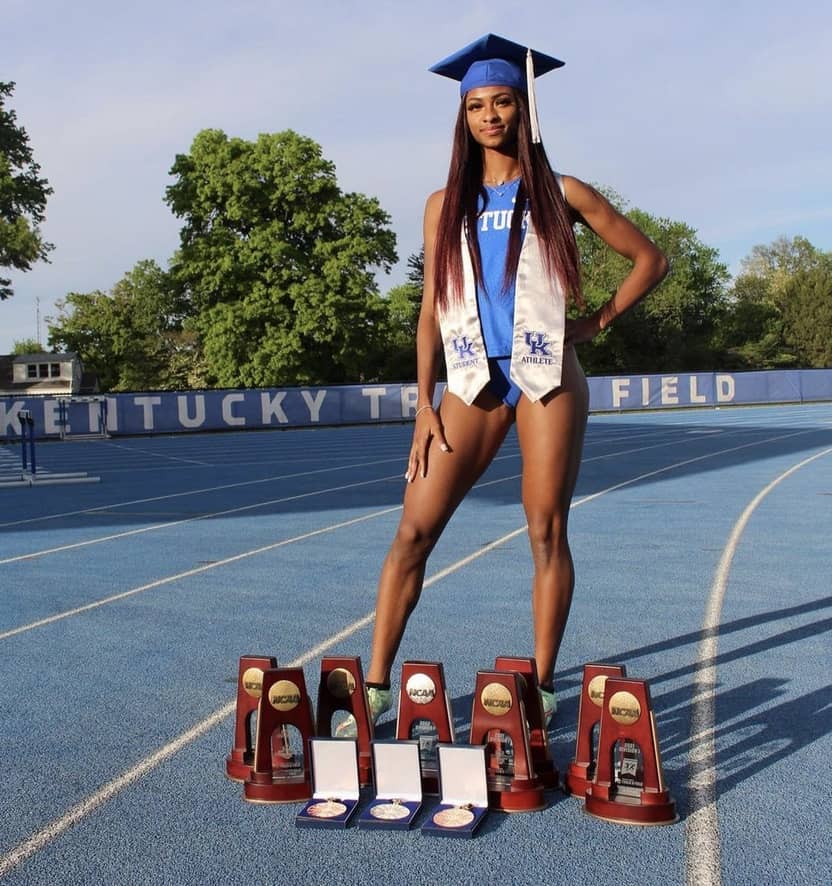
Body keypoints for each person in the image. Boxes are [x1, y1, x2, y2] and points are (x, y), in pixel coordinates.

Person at [338, 34, 668, 735]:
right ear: (463, 117)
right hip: (469, 377)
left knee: (546, 530)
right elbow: (429, 311)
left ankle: (542, 687)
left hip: (545, 376)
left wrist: (594, 324)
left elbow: (649, 259)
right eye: (478, 106)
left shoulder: (561, 192)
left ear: (524, 109)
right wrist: (423, 406)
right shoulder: (442, 204)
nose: (491, 116)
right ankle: (373, 687)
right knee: (412, 532)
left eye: (503, 102)